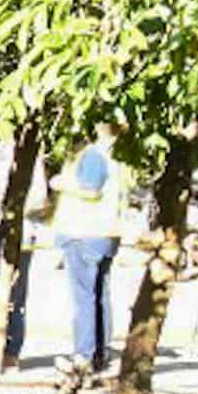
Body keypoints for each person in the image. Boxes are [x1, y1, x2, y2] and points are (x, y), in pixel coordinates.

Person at [48, 136, 125, 378]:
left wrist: (60, 183)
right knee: (99, 296)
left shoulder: (91, 155)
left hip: (83, 233)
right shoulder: (116, 157)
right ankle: (99, 352)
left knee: (84, 298)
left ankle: (84, 354)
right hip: (104, 233)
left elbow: (91, 189)